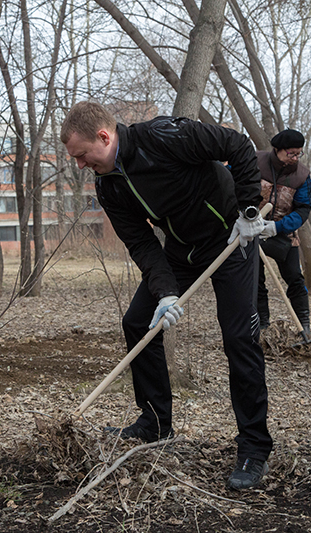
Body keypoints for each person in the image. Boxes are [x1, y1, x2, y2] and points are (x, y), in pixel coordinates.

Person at [60, 101, 273, 490]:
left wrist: (248, 212)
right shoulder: (109, 185)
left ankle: (254, 447)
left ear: (104, 138)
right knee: (137, 321)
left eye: (82, 156)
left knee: (239, 338)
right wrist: (165, 293)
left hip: (231, 237)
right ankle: (155, 423)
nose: (80, 165)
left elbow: (238, 147)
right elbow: (141, 243)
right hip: (182, 248)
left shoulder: (164, 135)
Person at [256, 129, 311, 339]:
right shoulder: (255, 161)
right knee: (255, 280)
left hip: (283, 233)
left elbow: (304, 208)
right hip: (251, 232)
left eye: (299, 154)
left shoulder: (302, 176)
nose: (296, 158)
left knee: (295, 278)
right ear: (278, 150)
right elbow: (231, 186)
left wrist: (278, 227)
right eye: (292, 153)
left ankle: (304, 326)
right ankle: (261, 327)